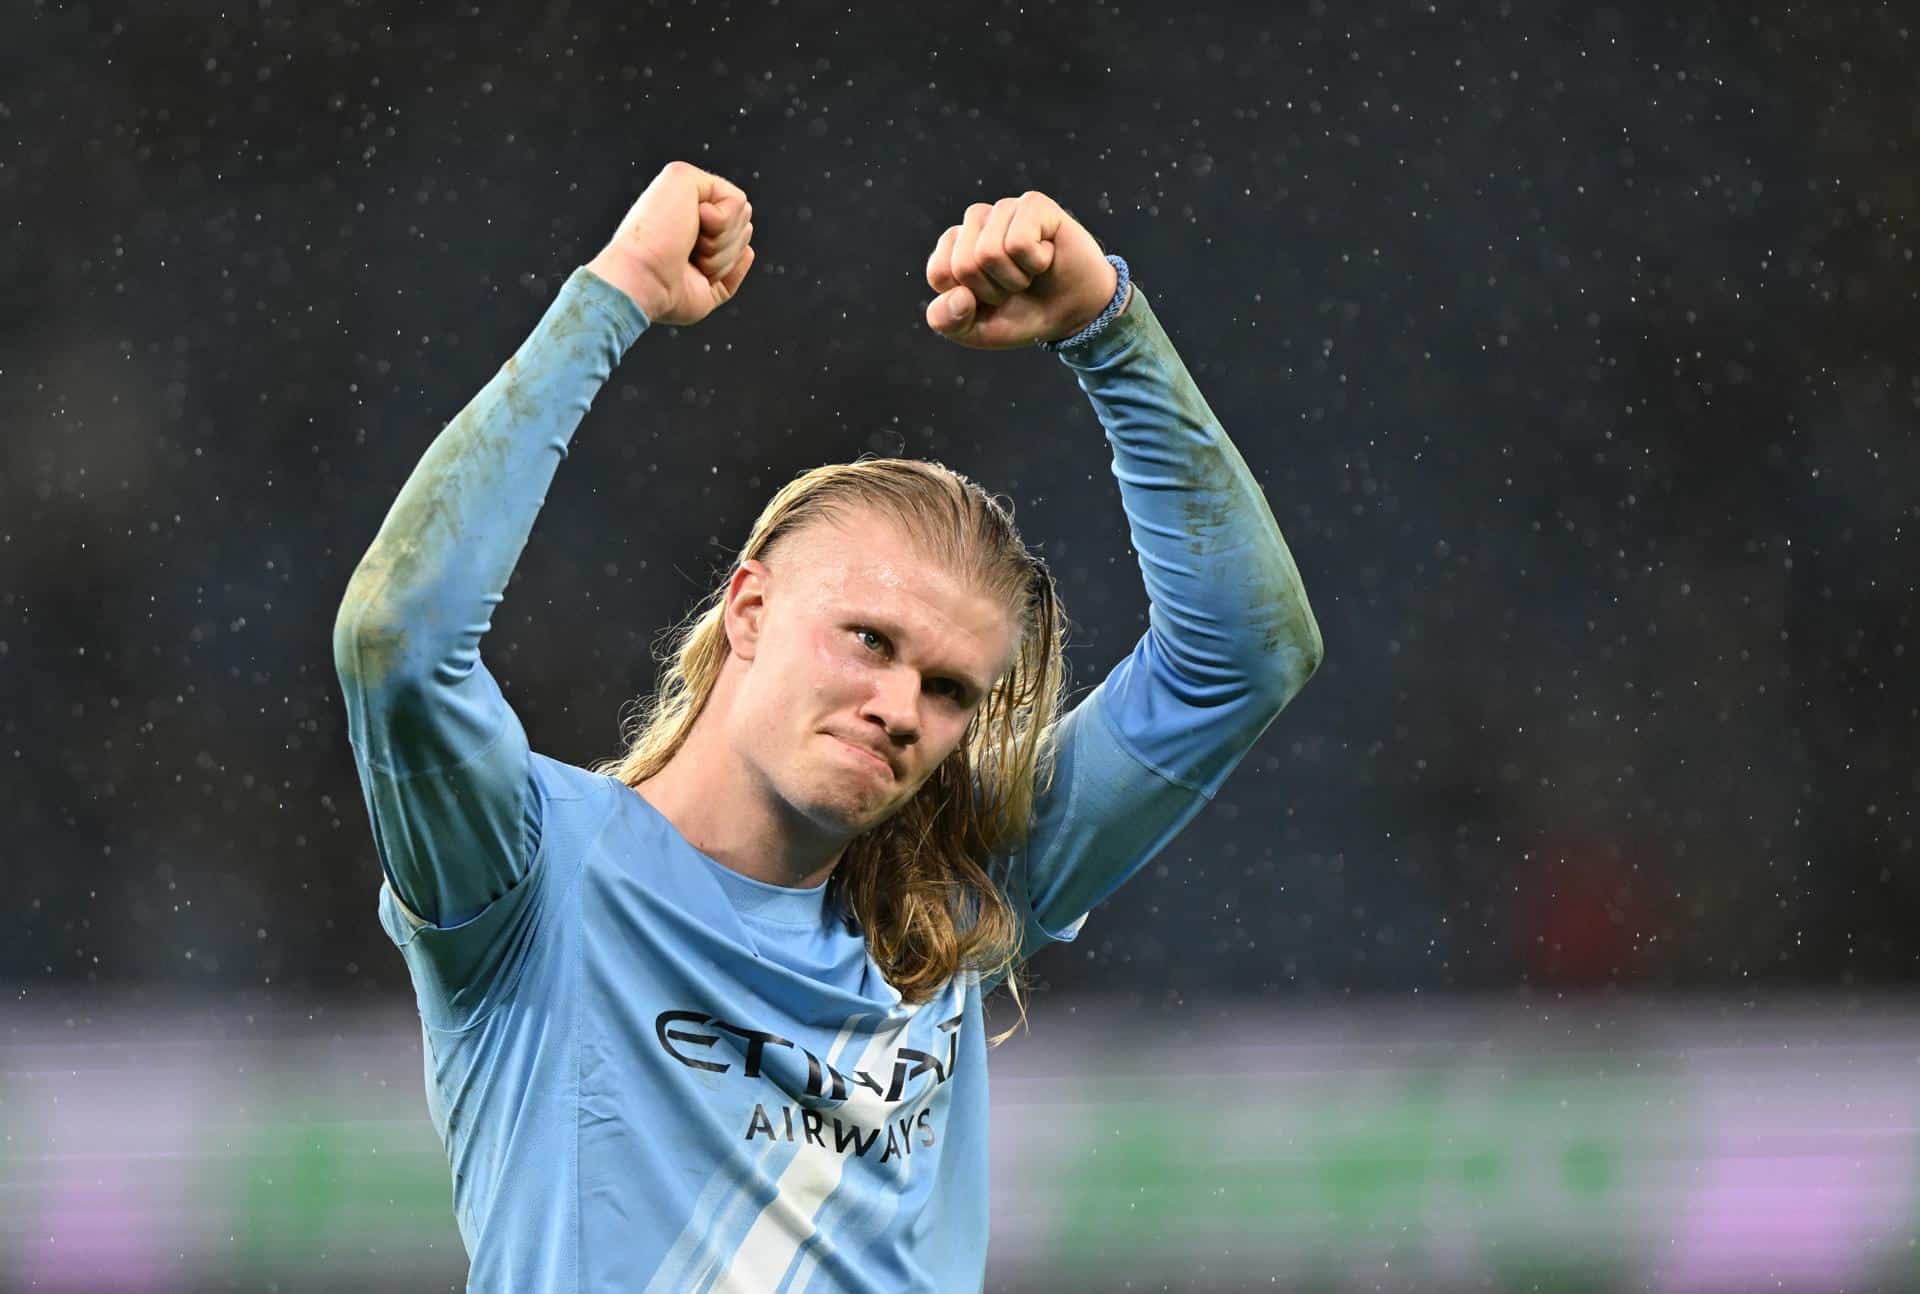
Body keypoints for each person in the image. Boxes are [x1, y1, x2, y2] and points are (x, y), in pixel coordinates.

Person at [332, 159, 1322, 1293]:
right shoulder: (527, 876)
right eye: (869, 641)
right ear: (748, 607)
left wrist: (1108, 326)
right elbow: (396, 642)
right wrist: (616, 292)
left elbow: (1245, 655)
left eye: (952, 691)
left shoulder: (951, 905)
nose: (903, 709)